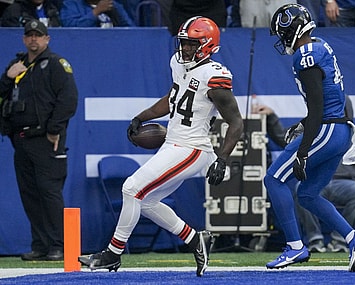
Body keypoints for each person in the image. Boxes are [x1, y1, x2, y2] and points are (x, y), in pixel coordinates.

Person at [78, 16, 243, 277]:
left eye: (191, 44)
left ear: (207, 45)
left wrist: (222, 159)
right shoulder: (180, 64)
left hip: (193, 148)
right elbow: (174, 98)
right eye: (184, 43)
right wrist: (142, 116)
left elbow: (236, 123)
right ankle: (194, 239)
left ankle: (112, 254)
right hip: (173, 143)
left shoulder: (215, 76)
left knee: (131, 188)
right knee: (146, 200)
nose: (185, 49)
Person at [265, 4, 355, 272]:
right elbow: (323, 101)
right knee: (309, 194)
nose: (282, 39)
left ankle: (295, 246)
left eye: (283, 33)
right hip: (338, 131)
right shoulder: (320, 44)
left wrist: (302, 151)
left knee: (274, 179)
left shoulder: (305, 55)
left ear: (292, 30)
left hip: (327, 129)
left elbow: (317, 108)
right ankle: (353, 237)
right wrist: (301, 126)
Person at [256, 99, 355, 254]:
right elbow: (285, 138)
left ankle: (341, 239)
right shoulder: (314, 133)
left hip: (345, 184)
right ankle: (315, 240)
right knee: (303, 191)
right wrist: (272, 117)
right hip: (318, 182)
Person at [0, 20, 78, 261]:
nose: (33, 39)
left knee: (49, 192)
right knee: (30, 193)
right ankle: (40, 245)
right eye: (29, 35)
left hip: (46, 139)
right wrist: (6, 77)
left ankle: (58, 245)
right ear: (24, 39)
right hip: (20, 140)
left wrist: (54, 130)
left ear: (47, 39)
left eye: (38, 35)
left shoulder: (55, 64)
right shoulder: (17, 65)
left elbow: (68, 99)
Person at [60, 0, 134, 27]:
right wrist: (96, 11)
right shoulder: (71, 4)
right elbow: (70, 29)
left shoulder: (114, 5)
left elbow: (130, 28)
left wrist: (117, 13)